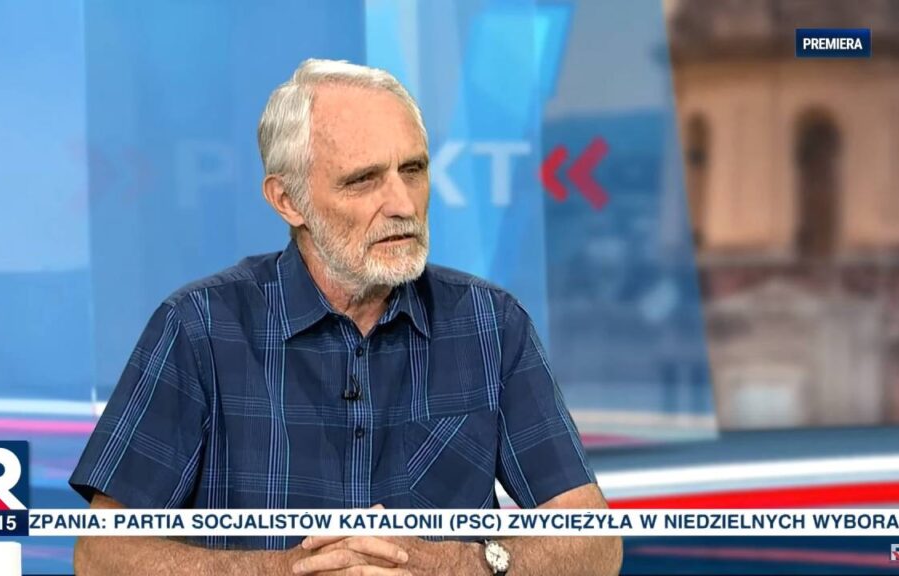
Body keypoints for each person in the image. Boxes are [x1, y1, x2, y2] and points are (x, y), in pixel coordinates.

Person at [71, 58, 622, 576]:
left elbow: (594, 541)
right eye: (364, 180)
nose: (402, 204)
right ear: (288, 201)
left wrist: (457, 566)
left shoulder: (490, 325)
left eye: (413, 170)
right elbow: (103, 552)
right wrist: (287, 570)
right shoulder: (200, 328)